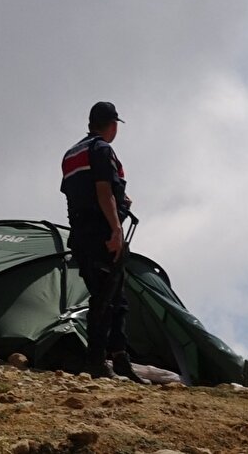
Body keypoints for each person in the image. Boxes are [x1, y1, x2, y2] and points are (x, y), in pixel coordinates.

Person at [59, 101, 149, 383]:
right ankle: (97, 360)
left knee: (115, 297)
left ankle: (120, 358)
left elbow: (77, 194)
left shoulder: (71, 154)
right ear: (111, 125)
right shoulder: (102, 150)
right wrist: (115, 230)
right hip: (101, 233)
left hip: (80, 233)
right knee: (106, 298)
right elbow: (103, 191)